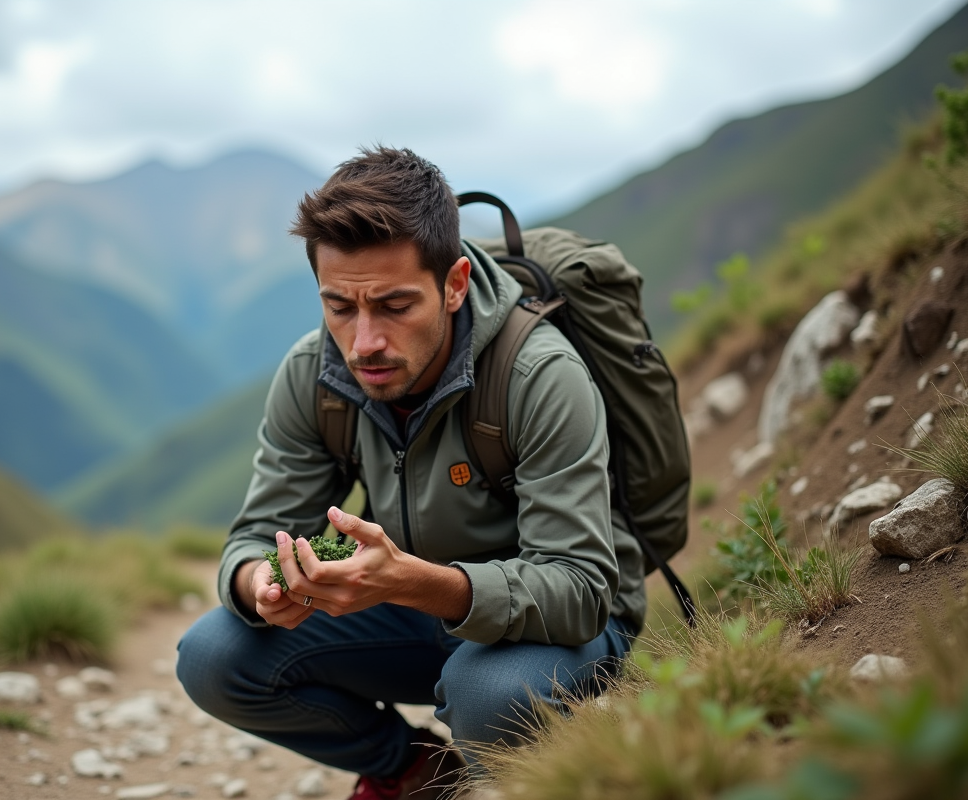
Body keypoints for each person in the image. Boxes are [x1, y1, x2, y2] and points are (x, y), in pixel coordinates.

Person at [175, 147, 646, 800]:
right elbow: (258, 533)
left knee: (488, 694)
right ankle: (413, 772)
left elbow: (582, 589)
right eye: (339, 306)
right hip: (402, 599)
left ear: (454, 284)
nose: (363, 341)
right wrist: (263, 583)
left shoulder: (539, 376)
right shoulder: (314, 373)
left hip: (556, 630)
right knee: (215, 657)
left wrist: (420, 582)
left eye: (395, 306)